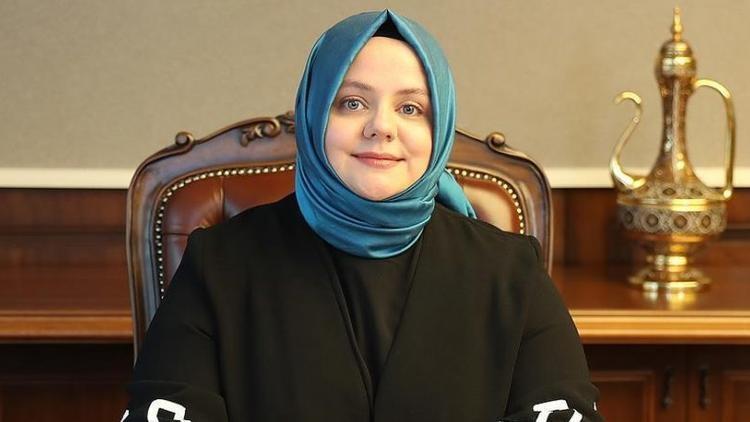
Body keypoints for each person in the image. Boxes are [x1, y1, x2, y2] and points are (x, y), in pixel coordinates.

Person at [121, 10, 602, 422]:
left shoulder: (511, 272)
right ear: (313, 115)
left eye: (410, 107)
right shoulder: (219, 265)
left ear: (439, 129)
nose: (381, 127)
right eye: (352, 103)